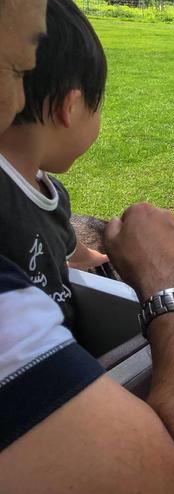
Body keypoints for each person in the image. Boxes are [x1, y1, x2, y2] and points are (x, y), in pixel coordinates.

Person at [0, 1, 174, 494]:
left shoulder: (49, 194)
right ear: (70, 108)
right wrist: (170, 284)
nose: (16, 93)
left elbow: (65, 248)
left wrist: (100, 260)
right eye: (15, 70)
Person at [0, 0, 109, 329]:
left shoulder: (51, 194)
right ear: (70, 107)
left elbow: (72, 251)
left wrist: (109, 261)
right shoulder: (5, 198)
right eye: (99, 106)